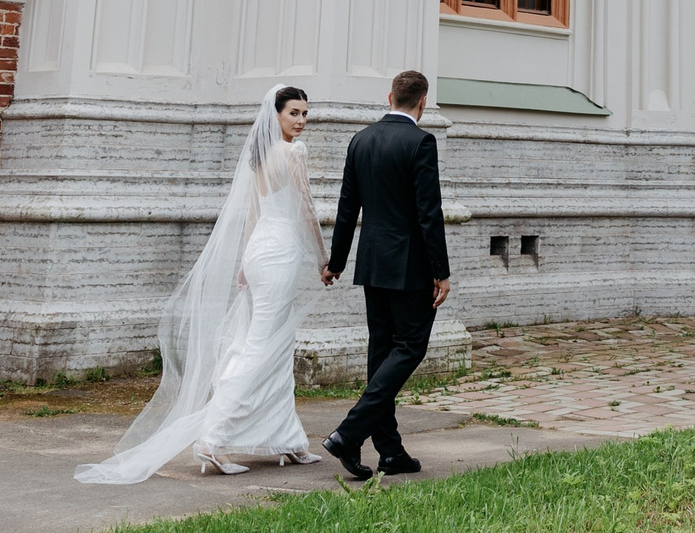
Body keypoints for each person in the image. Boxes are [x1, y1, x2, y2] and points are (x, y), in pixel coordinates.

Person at [75, 84, 335, 483]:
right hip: (279, 254)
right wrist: (323, 257)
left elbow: (252, 213)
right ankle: (213, 438)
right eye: (293, 113)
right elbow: (306, 208)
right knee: (261, 346)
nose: (300, 121)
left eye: (304, 114)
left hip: (260, 253)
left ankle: (287, 438)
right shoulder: (292, 152)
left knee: (275, 343)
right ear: (276, 116)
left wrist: (245, 262)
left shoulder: (260, 154)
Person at [319, 69, 450, 479]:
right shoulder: (421, 142)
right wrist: (441, 271)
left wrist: (336, 262)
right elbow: (429, 213)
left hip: (372, 262)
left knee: (381, 355)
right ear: (423, 102)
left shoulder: (360, 140)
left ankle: (390, 452)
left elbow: (347, 208)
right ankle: (348, 434)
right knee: (409, 347)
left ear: (389, 96)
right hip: (410, 266)